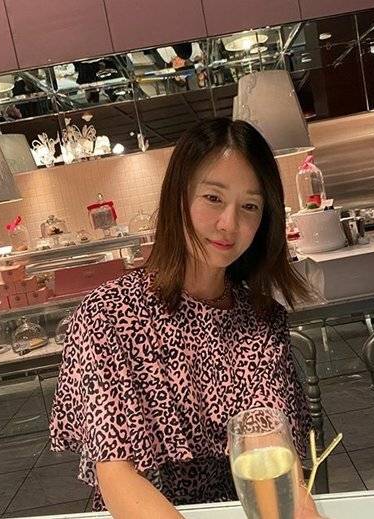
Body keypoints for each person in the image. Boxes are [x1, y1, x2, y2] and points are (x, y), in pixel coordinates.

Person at [49, 117, 322, 518]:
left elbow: (272, 458)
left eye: (250, 206)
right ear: (178, 196)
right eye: (213, 198)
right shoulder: (108, 316)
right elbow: (117, 474)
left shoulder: (261, 319)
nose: (229, 224)